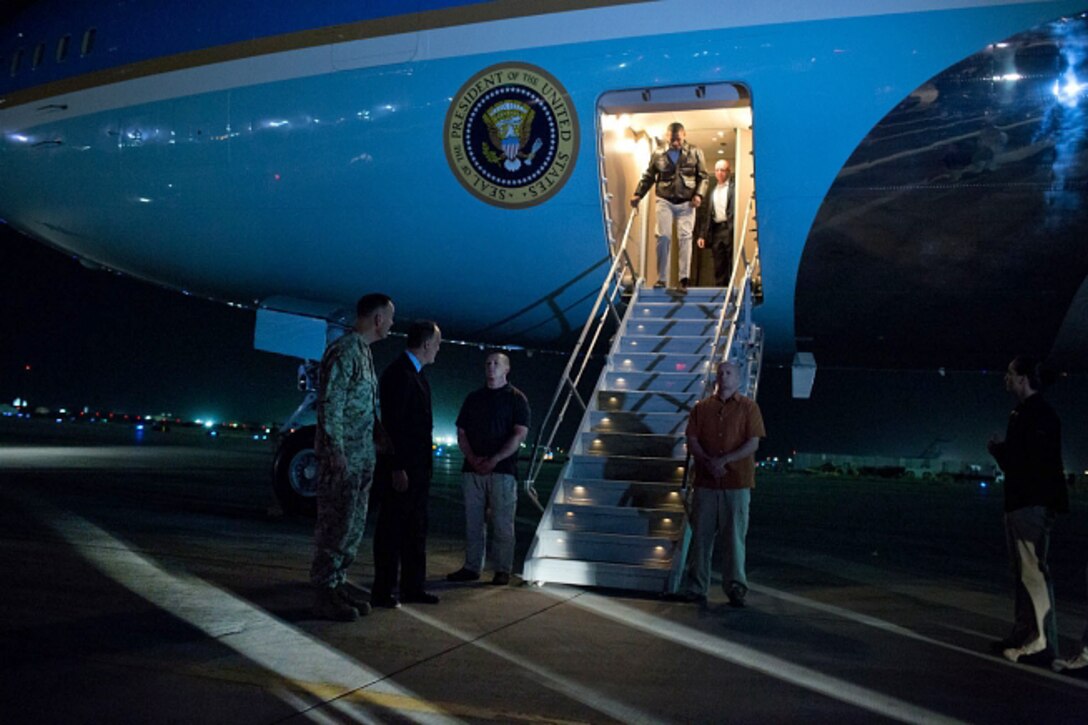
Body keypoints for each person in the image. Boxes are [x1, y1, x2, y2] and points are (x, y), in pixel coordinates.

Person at [310, 293, 395, 621]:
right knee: (335, 525)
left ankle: (337, 583)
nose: (390, 324)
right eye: (389, 317)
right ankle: (322, 592)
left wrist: (379, 437)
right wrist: (335, 451)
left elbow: (363, 405)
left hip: (362, 458)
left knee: (351, 526)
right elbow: (330, 403)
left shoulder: (364, 353)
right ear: (377, 319)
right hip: (343, 459)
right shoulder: (345, 351)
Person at [987, 355, 1068, 662]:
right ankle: (1025, 631)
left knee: (1033, 571)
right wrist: (1002, 453)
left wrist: (1002, 452)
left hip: (1030, 503)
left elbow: (1031, 464)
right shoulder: (1024, 413)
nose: (1005, 378)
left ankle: (1042, 641)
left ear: (1023, 379)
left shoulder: (1038, 415)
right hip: (1022, 502)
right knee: (1023, 571)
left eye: (1010, 373)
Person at [681, 360, 765, 607]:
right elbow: (692, 439)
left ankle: (736, 587)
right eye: (720, 372)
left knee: (734, 538)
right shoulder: (701, 408)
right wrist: (707, 461)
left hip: (736, 483)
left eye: (728, 372)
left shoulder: (749, 408)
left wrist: (725, 460)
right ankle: (697, 586)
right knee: (701, 537)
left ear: (737, 378)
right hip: (706, 483)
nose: (723, 376)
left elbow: (754, 442)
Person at [371, 320, 442, 608]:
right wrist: (396, 466)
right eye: (437, 343)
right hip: (402, 469)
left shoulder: (416, 374)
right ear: (426, 344)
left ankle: (413, 587)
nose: (439, 349)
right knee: (392, 530)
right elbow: (393, 425)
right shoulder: (399, 374)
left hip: (417, 469)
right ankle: (383, 589)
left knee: (415, 529)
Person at [447, 352, 531, 586]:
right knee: (473, 522)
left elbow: (519, 434)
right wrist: (473, 459)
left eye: (496, 364)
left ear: (507, 369)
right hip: (472, 470)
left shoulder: (516, 399)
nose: (491, 367)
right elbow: (461, 432)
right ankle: (472, 566)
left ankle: (502, 569)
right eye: (488, 364)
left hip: (503, 471)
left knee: (503, 523)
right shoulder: (473, 398)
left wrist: (494, 459)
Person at [630, 122, 708, 291]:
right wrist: (638, 194)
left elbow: (703, 177)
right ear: (667, 136)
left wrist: (698, 195)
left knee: (685, 237)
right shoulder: (658, 153)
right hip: (664, 199)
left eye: (678, 139)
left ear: (684, 135)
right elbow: (649, 175)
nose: (675, 143)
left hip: (687, 202)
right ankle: (662, 278)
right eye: (672, 139)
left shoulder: (695, 151)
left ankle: (683, 279)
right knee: (663, 236)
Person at [695, 159, 736, 287]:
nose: (719, 173)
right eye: (717, 170)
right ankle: (720, 290)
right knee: (718, 263)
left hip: (730, 229)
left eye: (722, 170)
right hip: (716, 230)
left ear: (729, 172)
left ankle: (731, 290)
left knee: (731, 261)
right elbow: (706, 214)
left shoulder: (734, 189)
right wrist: (702, 235)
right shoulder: (712, 191)